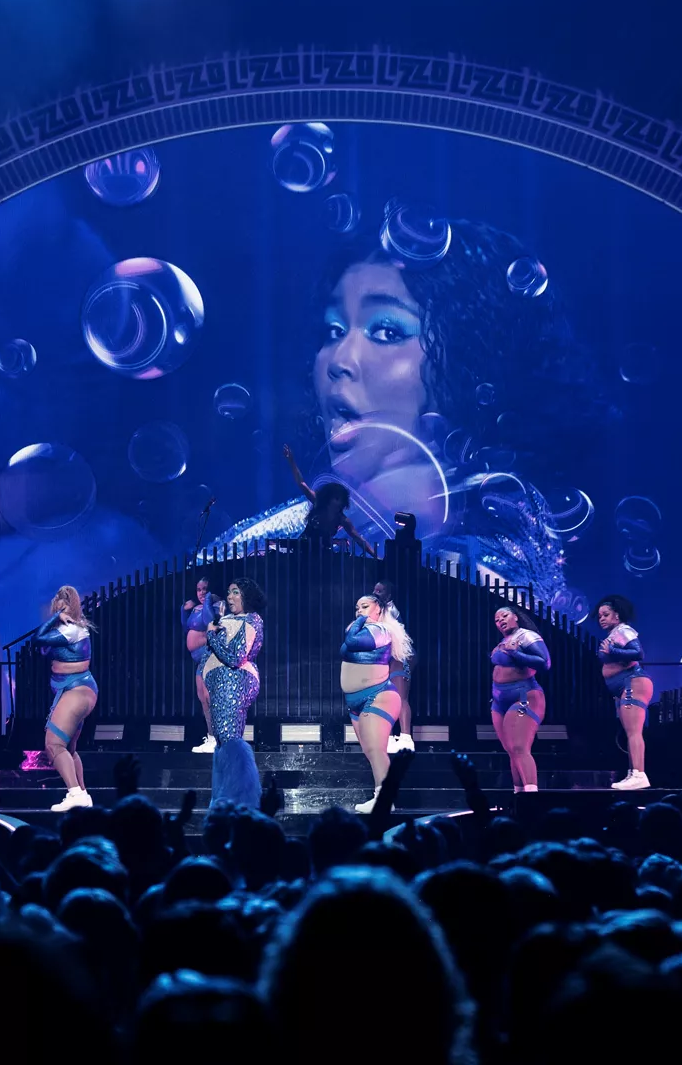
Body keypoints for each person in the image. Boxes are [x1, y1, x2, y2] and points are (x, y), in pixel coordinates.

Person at [217, 222, 598, 607]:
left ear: (470, 365)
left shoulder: (492, 542)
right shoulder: (287, 530)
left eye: (386, 331)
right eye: (334, 330)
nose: (339, 359)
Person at [339, 591, 413, 813]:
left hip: (377, 695)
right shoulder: (364, 629)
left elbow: (352, 641)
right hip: (355, 701)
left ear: (379, 609)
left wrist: (360, 620)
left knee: (375, 749)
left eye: (364, 607)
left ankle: (384, 800)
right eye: (357, 608)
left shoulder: (381, 630)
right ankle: (381, 795)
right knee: (370, 751)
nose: (359, 611)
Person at [201, 579, 266, 810]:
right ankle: (223, 800)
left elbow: (235, 656)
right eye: (228, 592)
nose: (230, 597)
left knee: (229, 740)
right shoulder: (227, 620)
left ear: (247, 596)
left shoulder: (252, 619)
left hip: (234, 682)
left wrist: (211, 636)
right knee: (223, 742)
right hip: (220, 684)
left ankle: (240, 802)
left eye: (235, 592)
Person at [36, 585, 97, 812]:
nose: (60, 614)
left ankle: (75, 793)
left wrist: (54, 618)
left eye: (63, 610)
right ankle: (82, 794)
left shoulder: (72, 629)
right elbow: (44, 646)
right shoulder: (65, 630)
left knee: (53, 745)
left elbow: (38, 638)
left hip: (77, 689)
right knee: (69, 749)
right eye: (57, 610)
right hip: (73, 690)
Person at [489, 605, 549, 794]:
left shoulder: (526, 636)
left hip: (524, 696)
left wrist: (515, 653)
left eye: (504, 616)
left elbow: (545, 662)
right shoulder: (505, 641)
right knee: (511, 751)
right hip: (499, 702)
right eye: (497, 620)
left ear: (516, 617)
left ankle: (532, 797)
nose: (500, 621)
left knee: (519, 747)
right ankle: (519, 796)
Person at [596, 594, 654, 791]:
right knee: (630, 732)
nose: (601, 619)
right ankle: (633, 773)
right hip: (624, 685)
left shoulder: (623, 630)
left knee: (634, 732)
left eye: (605, 615)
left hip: (633, 682)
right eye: (599, 616)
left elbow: (638, 653)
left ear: (617, 615)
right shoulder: (614, 634)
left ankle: (639, 774)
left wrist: (613, 652)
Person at [283, 445, 377, 554]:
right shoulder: (318, 502)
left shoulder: (342, 520)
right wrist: (291, 461)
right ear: (329, 497)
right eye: (336, 498)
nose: (339, 502)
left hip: (321, 555)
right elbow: (301, 483)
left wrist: (375, 556)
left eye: (341, 500)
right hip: (301, 549)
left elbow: (358, 539)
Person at [374, 580, 415, 753]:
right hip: (384, 658)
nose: (375, 593)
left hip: (399, 655)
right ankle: (389, 738)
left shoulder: (390, 610)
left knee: (400, 697)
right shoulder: (375, 612)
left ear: (388, 595)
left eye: (380, 591)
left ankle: (406, 738)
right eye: (374, 590)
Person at [182, 577, 221, 755]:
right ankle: (211, 738)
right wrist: (183, 610)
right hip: (199, 659)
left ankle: (218, 738)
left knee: (210, 697)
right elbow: (186, 627)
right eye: (199, 589)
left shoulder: (217, 605)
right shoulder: (196, 607)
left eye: (205, 589)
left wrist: (208, 600)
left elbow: (208, 620)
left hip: (210, 655)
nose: (201, 592)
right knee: (202, 698)